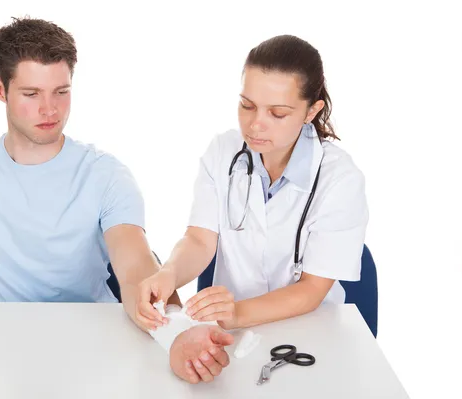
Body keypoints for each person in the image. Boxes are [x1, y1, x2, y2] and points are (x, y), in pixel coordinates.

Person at [0, 17, 231, 399]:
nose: (50, 109)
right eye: (32, 94)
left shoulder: (106, 175)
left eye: (61, 91)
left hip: (92, 337)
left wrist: (175, 333)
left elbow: (136, 266)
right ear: (0, 89)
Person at [138, 34, 369, 383]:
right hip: (228, 337)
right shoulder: (223, 152)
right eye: (247, 106)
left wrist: (236, 312)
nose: (255, 124)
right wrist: (169, 273)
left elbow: (311, 290)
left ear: (311, 111)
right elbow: (200, 240)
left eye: (277, 113)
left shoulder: (340, 179)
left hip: (310, 334)